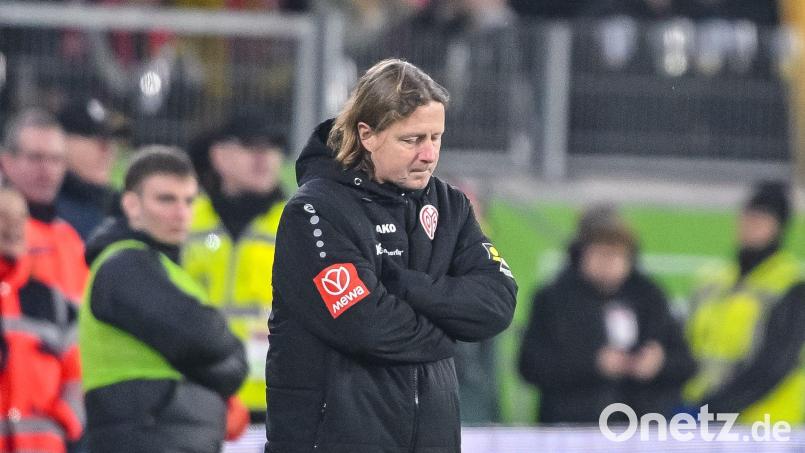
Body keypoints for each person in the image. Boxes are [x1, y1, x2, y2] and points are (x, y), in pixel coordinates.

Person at [266, 58, 518, 452]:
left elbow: (498, 302)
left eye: (436, 137)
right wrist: (448, 334)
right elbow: (365, 326)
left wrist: (410, 287)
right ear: (367, 135)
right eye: (412, 140)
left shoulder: (450, 206)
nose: (428, 154)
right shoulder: (314, 212)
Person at [77, 147, 248, 453]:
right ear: (132, 204)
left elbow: (214, 347)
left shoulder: (165, 269)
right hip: (145, 437)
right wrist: (227, 355)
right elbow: (208, 337)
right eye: (166, 199)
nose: (181, 213)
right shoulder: (123, 265)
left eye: (189, 200)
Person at [518, 205, 696, 424]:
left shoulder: (649, 296)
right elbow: (530, 365)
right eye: (601, 253)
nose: (608, 263)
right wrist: (593, 364)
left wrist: (658, 364)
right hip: (573, 426)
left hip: (641, 425)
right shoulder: (553, 298)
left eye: (616, 254)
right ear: (582, 253)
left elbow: (686, 363)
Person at [182, 116, 287, 421]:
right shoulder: (185, 219)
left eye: (272, 147)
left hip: (272, 405)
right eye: (250, 146)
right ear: (219, 156)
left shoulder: (298, 224)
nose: (263, 157)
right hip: (199, 397)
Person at [685, 181, 805, 424]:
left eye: (761, 219)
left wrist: (712, 409)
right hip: (707, 419)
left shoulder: (791, 285)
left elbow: (774, 364)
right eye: (748, 216)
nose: (750, 225)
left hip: (767, 425)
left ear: (778, 227)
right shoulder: (712, 281)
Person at [0, 186, 84, 453]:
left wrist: (63, 420)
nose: (14, 226)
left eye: (20, 217)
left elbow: (78, 375)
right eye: (3, 216)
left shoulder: (54, 302)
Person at [0, 108, 88, 304]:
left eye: (56, 159)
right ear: (6, 162)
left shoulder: (70, 238)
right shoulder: (6, 232)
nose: (47, 170)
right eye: (35, 158)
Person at [56, 96, 127, 241]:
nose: (106, 151)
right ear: (61, 142)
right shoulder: (43, 209)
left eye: (110, 141)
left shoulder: (122, 207)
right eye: (96, 141)